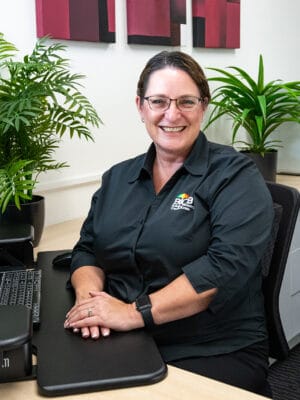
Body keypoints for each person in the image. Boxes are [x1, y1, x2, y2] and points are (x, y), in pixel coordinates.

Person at [64, 51, 274, 397]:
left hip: (210, 347)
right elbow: (88, 248)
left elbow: (223, 268)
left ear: (203, 106)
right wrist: (89, 298)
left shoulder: (236, 176)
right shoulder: (118, 178)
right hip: (127, 335)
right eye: (158, 101)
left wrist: (133, 313)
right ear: (141, 106)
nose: (172, 114)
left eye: (186, 102)